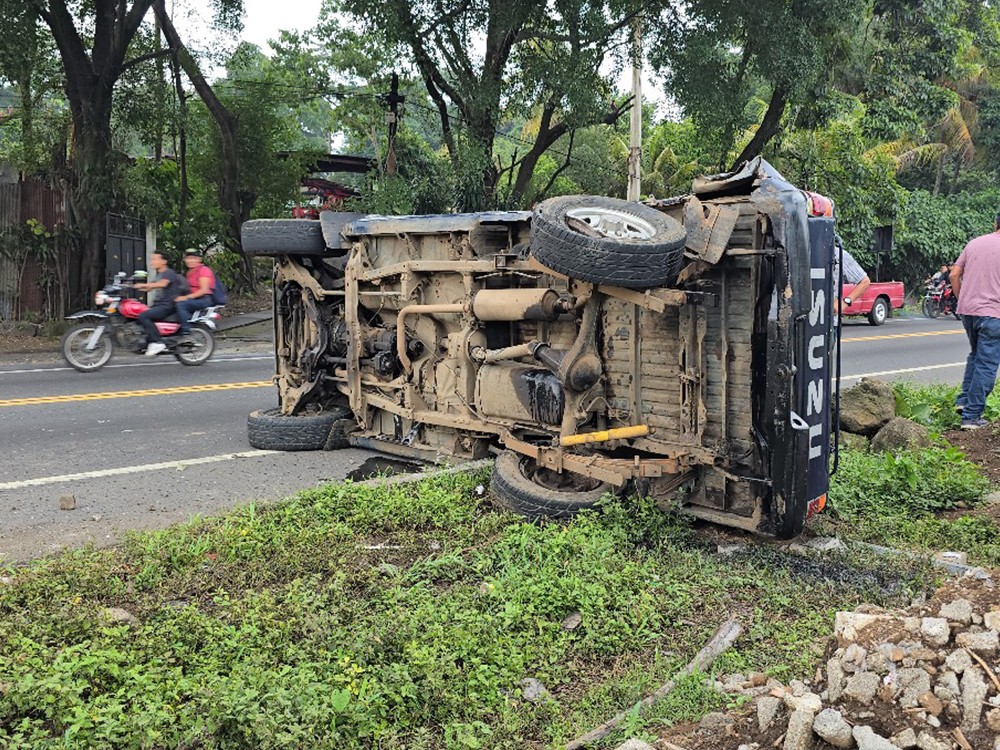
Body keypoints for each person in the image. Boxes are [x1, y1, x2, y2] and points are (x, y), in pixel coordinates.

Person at [950, 211, 1000, 430]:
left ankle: (963, 401)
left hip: (968, 311)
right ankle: (971, 416)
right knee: (987, 364)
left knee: (975, 355)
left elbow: (953, 274)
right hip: (993, 313)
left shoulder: (975, 243)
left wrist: (963, 298)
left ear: (995, 222)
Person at [133, 252, 187, 356]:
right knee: (137, 317)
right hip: (159, 305)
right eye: (152, 259)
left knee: (143, 316)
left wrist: (144, 284)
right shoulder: (159, 275)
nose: (152, 261)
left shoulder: (168, 273)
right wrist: (132, 286)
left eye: (155, 259)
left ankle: (157, 342)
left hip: (167, 305)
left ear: (164, 261)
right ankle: (147, 343)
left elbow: (162, 284)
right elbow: (150, 287)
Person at [174, 249, 216, 336]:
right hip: (194, 299)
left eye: (193, 258)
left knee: (181, 305)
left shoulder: (203, 270)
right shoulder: (189, 272)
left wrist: (186, 297)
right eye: (188, 258)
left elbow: (204, 290)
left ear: (199, 259)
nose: (190, 261)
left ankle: (186, 331)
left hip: (203, 299)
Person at [833, 236, 872, 314]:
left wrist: (845, 302)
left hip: (829, 320)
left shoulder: (839, 255)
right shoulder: (803, 254)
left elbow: (865, 281)